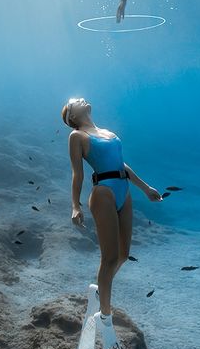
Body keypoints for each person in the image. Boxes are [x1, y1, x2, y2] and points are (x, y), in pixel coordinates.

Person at [62, 96, 161, 318]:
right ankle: (105, 315)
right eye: (74, 101)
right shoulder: (76, 136)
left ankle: (100, 289)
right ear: (73, 116)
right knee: (109, 258)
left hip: (123, 190)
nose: (81, 98)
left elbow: (121, 165)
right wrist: (75, 206)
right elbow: (77, 174)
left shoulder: (108, 133)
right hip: (103, 192)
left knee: (123, 255)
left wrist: (145, 188)